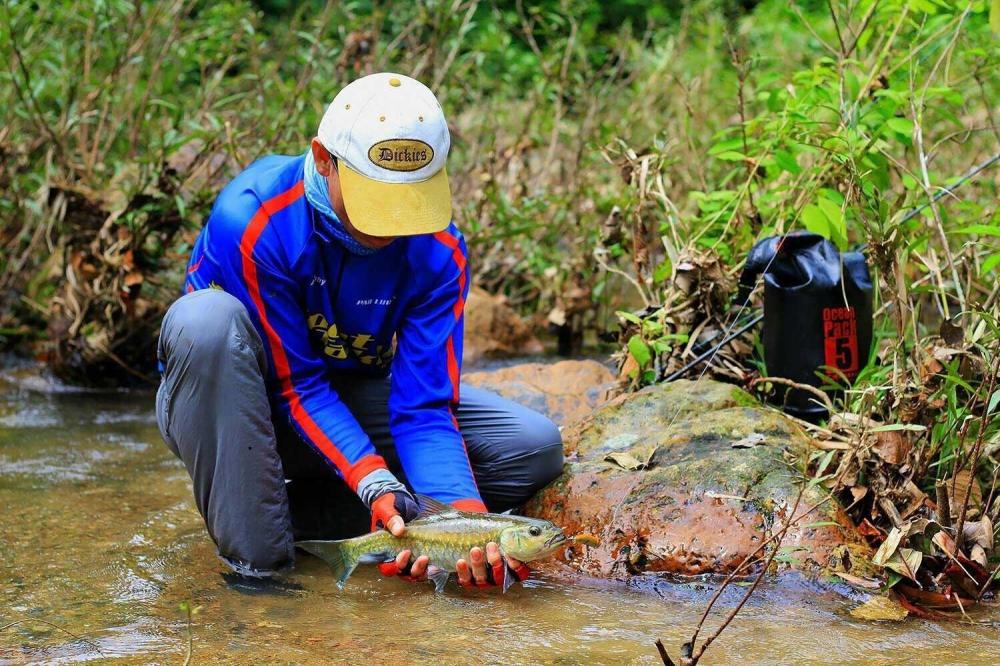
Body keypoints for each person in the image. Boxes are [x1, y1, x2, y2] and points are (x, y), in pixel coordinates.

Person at [155, 72, 563, 589]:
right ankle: (261, 565)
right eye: (377, 198)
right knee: (206, 322)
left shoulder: (439, 249)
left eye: (408, 199)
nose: (394, 224)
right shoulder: (255, 220)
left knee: (532, 446)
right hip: (243, 410)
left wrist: (460, 526)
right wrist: (372, 479)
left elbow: (422, 408)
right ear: (324, 159)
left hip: (350, 403)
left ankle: (335, 527)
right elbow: (294, 386)